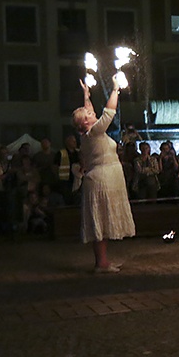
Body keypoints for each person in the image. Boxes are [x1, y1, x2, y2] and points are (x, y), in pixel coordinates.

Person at [73, 76, 136, 273]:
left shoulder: (89, 133)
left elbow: (90, 113)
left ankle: (103, 262)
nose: (92, 113)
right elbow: (109, 113)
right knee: (101, 220)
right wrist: (115, 89)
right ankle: (101, 263)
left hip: (104, 178)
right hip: (102, 180)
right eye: (89, 114)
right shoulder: (94, 133)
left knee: (102, 220)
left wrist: (86, 95)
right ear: (85, 122)